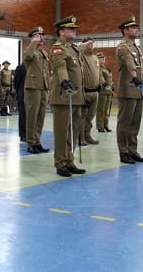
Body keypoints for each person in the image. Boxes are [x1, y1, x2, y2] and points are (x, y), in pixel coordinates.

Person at [49, 16, 86, 177]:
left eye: (75, 28)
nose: (74, 31)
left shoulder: (74, 49)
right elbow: (61, 67)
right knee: (62, 131)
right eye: (71, 29)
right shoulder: (58, 49)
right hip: (64, 96)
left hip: (76, 97)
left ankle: (70, 160)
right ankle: (60, 162)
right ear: (61, 31)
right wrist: (65, 81)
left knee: (74, 130)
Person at [115, 17, 143, 163]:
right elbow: (130, 63)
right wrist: (135, 77)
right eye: (133, 27)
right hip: (128, 89)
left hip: (138, 91)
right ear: (125, 30)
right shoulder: (123, 47)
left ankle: (132, 150)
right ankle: (123, 152)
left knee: (135, 123)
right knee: (125, 123)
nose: (136, 29)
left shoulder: (136, 47)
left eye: (136, 27)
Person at [22, 27, 50, 152]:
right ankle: (30, 143)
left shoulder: (43, 53)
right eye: (38, 35)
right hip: (32, 87)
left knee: (40, 116)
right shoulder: (29, 50)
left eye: (42, 35)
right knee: (32, 116)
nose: (41, 37)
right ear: (32, 37)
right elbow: (27, 56)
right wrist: (33, 42)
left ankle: (37, 141)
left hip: (43, 87)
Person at [79, 36, 100, 145]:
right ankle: (81, 137)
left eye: (92, 43)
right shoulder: (80, 56)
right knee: (82, 116)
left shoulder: (95, 58)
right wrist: (83, 44)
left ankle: (88, 135)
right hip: (85, 91)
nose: (91, 45)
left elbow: (98, 73)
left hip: (95, 91)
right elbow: (77, 49)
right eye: (88, 43)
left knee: (90, 117)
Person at [96, 53, 114, 133]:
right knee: (101, 109)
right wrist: (104, 83)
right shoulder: (98, 68)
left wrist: (112, 85)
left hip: (108, 91)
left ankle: (106, 125)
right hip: (102, 91)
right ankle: (100, 126)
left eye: (103, 58)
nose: (103, 59)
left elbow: (109, 79)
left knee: (106, 110)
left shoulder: (106, 69)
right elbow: (100, 78)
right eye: (101, 58)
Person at [13, 62, 27, 143]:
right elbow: (16, 81)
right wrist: (18, 91)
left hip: (32, 95)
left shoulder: (34, 67)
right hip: (23, 93)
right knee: (23, 115)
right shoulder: (21, 67)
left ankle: (31, 134)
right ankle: (23, 135)